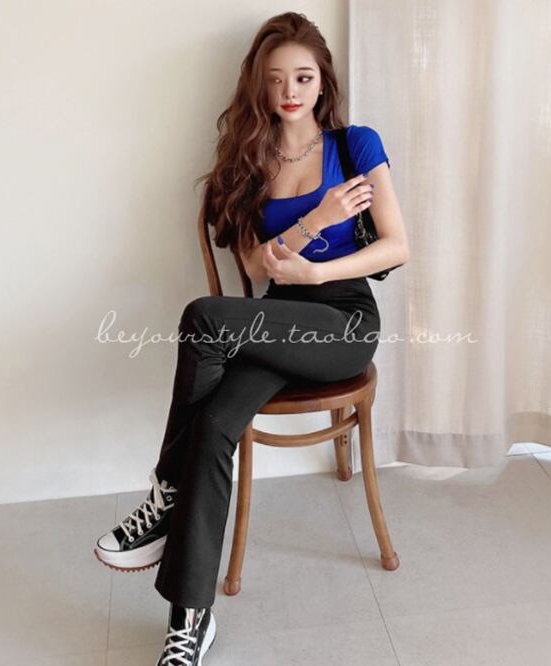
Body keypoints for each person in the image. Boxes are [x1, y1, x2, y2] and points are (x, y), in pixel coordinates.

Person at [93, 11, 408, 666]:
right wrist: (316, 221)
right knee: (214, 427)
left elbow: (397, 245)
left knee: (205, 317)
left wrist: (317, 267)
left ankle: (164, 493)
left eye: (303, 76)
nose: (290, 90)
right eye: (275, 78)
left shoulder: (355, 145)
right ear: (258, 85)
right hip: (276, 321)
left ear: (323, 81)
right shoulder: (249, 162)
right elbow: (261, 269)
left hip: (344, 322)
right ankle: (191, 619)